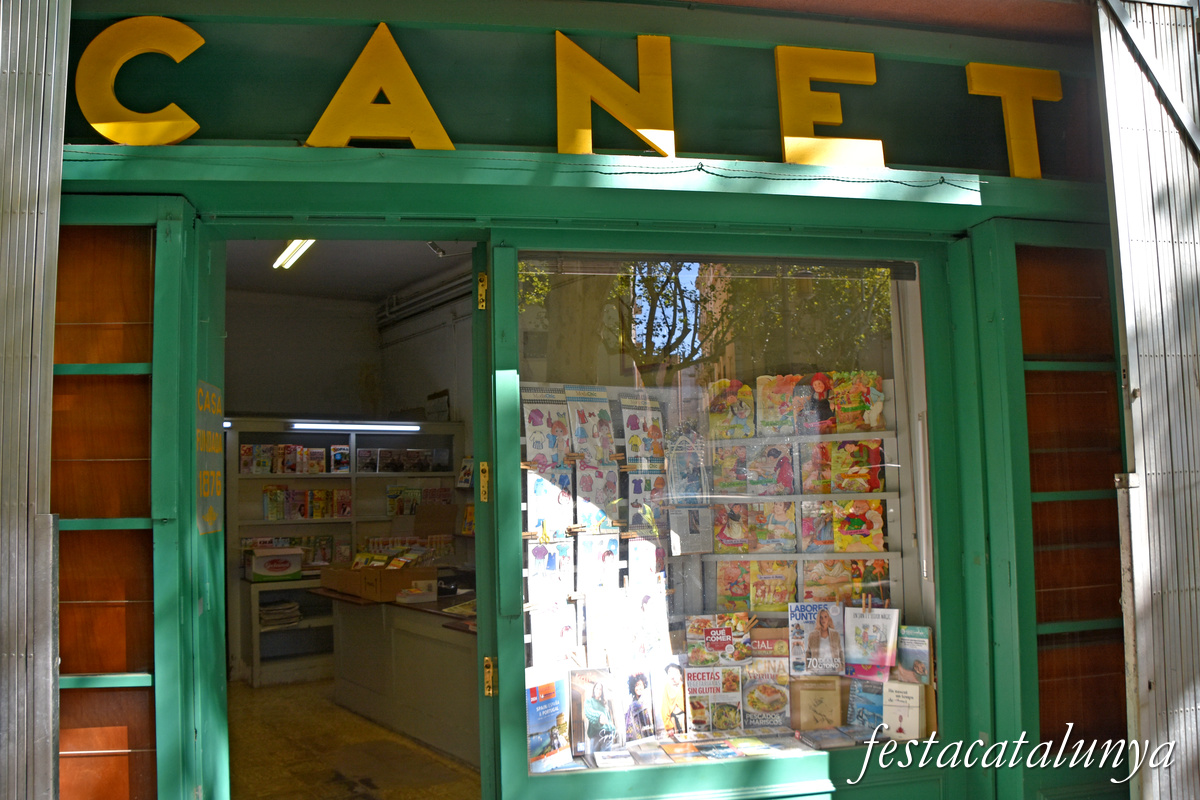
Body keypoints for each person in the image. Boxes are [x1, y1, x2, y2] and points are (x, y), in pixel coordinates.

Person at [805, 607, 843, 672]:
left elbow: (840, 651)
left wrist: (842, 666)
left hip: (834, 669)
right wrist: (807, 668)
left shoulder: (835, 634)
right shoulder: (812, 635)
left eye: (825, 617)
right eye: (821, 617)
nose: (823, 619)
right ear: (818, 619)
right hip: (817, 670)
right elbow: (808, 653)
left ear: (829, 618)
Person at [584, 680, 616, 752]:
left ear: (602, 692)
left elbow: (609, 720)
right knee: (594, 759)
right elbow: (588, 712)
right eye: (597, 688)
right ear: (594, 689)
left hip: (607, 734)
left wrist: (613, 729)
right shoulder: (589, 701)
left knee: (606, 760)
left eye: (600, 689)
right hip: (595, 734)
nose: (598, 691)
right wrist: (599, 716)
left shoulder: (604, 704)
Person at [624, 672, 655, 741]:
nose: (638, 688)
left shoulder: (649, 699)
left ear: (644, 685)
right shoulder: (632, 704)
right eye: (636, 686)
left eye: (640, 685)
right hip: (638, 735)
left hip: (650, 732)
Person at [661, 663, 686, 735]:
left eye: (675, 673)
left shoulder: (684, 686)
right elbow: (664, 707)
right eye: (670, 673)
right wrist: (668, 726)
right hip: (672, 720)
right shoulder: (667, 687)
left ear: (679, 674)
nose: (673, 676)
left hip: (684, 719)